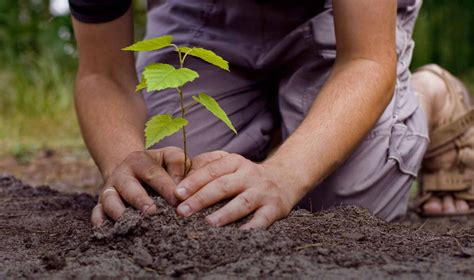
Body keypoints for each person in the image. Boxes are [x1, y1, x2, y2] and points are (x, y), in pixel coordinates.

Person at [69, 0, 473, 229]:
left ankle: (429, 96)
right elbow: (102, 73)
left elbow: (366, 58)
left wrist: (285, 176)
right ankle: (291, 124)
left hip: (341, 15)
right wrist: (123, 159)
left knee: (340, 205)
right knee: (179, 187)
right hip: (202, 9)